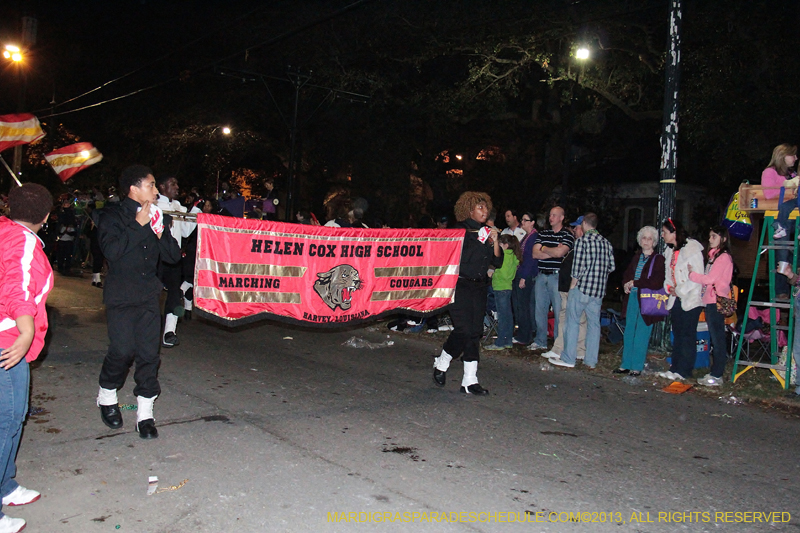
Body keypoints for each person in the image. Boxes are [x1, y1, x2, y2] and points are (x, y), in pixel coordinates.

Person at [94, 165, 181, 439]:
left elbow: (173, 256)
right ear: (134, 188)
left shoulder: (158, 218)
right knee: (122, 351)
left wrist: (158, 231)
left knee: (148, 355)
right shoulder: (111, 215)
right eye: (151, 185)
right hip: (121, 295)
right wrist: (138, 224)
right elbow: (112, 251)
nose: (156, 192)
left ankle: (144, 414)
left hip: (147, 295)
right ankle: (107, 394)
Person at [0, 183, 54, 533]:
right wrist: (26, 331)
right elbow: (17, 288)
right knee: (7, 420)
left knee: (12, 418)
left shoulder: (5, 231)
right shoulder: (24, 242)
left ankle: (6, 486)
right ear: (46, 217)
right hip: (7, 341)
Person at [433, 192, 502, 395]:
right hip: (459, 285)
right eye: (480, 207)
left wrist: (495, 241)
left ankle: (470, 381)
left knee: (475, 332)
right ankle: (443, 362)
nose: (484, 211)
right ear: (469, 209)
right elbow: (460, 255)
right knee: (463, 329)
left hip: (479, 286)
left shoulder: (488, 232)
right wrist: (482, 240)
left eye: (486, 207)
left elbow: (498, 262)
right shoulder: (458, 230)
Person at [549, 213, 615, 368]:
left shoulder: (582, 241)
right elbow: (611, 267)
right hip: (598, 291)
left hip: (582, 288)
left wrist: (572, 287)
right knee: (594, 325)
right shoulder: (606, 243)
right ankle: (591, 360)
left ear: (585, 224)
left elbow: (577, 269)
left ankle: (568, 358)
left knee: (572, 322)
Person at [657, 218, 704, 381]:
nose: (662, 235)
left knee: (687, 334)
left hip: (690, 298)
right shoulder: (669, 251)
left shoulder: (692, 248)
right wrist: (669, 288)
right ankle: (675, 367)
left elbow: (698, 275)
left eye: (664, 232)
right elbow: (668, 275)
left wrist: (680, 290)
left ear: (673, 232)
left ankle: (685, 370)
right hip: (675, 298)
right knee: (677, 333)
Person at [688, 225, 734, 386]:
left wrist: (692, 275)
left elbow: (710, 279)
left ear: (723, 239)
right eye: (710, 236)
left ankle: (717, 374)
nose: (710, 239)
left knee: (718, 338)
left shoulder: (723, 257)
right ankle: (715, 372)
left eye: (714, 236)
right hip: (710, 301)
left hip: (716, 301)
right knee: (716, 337)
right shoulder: (714, 257)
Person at [616, 226, 665, 376]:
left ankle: (636, 366)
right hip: (633, 297)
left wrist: (636, 283)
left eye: (650, 238)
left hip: (647, 300)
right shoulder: (636, 258)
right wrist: (626, 284)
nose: (646, 241)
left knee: (642, 332)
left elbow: (657, 282)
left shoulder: (658, 260)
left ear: (654, 241)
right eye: (644, 238)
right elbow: (627, 274)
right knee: (629, 330)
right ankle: (626, 363)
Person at [156, 175, 198, 348]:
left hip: (174, 259)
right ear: (161, 187)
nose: (177, 187)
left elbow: (186, 232)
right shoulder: (153, 205)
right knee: (152, 293)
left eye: (177, 183)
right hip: (156, 257)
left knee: (174, 294)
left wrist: (196, 212)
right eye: (172, 184)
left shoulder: (178, 207)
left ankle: (169, 332)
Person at [541, 217, 587, 362]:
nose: (574, 230)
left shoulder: (583, 245)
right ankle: (579, 350)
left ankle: (560, 349)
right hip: (567, 287)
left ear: (584, 227)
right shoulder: (577, 244)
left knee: (566, 318)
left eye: (576, 227)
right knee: (577, 319)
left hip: (571, 288)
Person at [529, 206, 575, 351]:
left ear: (562, 217)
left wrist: (544, 248)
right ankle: (541, 340)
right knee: (540, 310)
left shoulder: (567, 235)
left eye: (554, 215)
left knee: (558, 310)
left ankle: (558, 343)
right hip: (542, 275)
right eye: (550, 215)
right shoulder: (543, 233)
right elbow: (535, 254)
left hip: (557, 276)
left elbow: (561, 252)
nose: (551, 217)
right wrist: (552, 251)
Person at [761, 143, 798, 298]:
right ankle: (781, 290)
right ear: (783, 156)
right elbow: (769, 195)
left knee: (793, 252)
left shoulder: (792, 174)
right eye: (793, 155)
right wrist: (786, 186)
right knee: (782, 250)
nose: (796, 158)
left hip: (794, 216)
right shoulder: (770, 172)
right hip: (779, 218)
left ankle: (791, 284)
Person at [485, 234, 521, 350]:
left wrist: (493, 273)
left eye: (499, 244)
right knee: (507, 315)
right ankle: (508, 340)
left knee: (502, 315)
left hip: (501, 287)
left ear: (505, 245)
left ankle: (500, 342)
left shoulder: (504, 255)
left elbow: (504, 273)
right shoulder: (514, 256)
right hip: (507, 287)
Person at [512, 212, 538, 345]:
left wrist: (523, 277)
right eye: (522, 220)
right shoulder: (527, 236)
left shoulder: (533, 237)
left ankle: (525, 335)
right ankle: (523, 333)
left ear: (532, 222)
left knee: (523, 306)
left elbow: (530, 259)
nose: (522, 222)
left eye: (525, 220)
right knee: (520, 305)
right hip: (521, 273)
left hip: (526, 275)